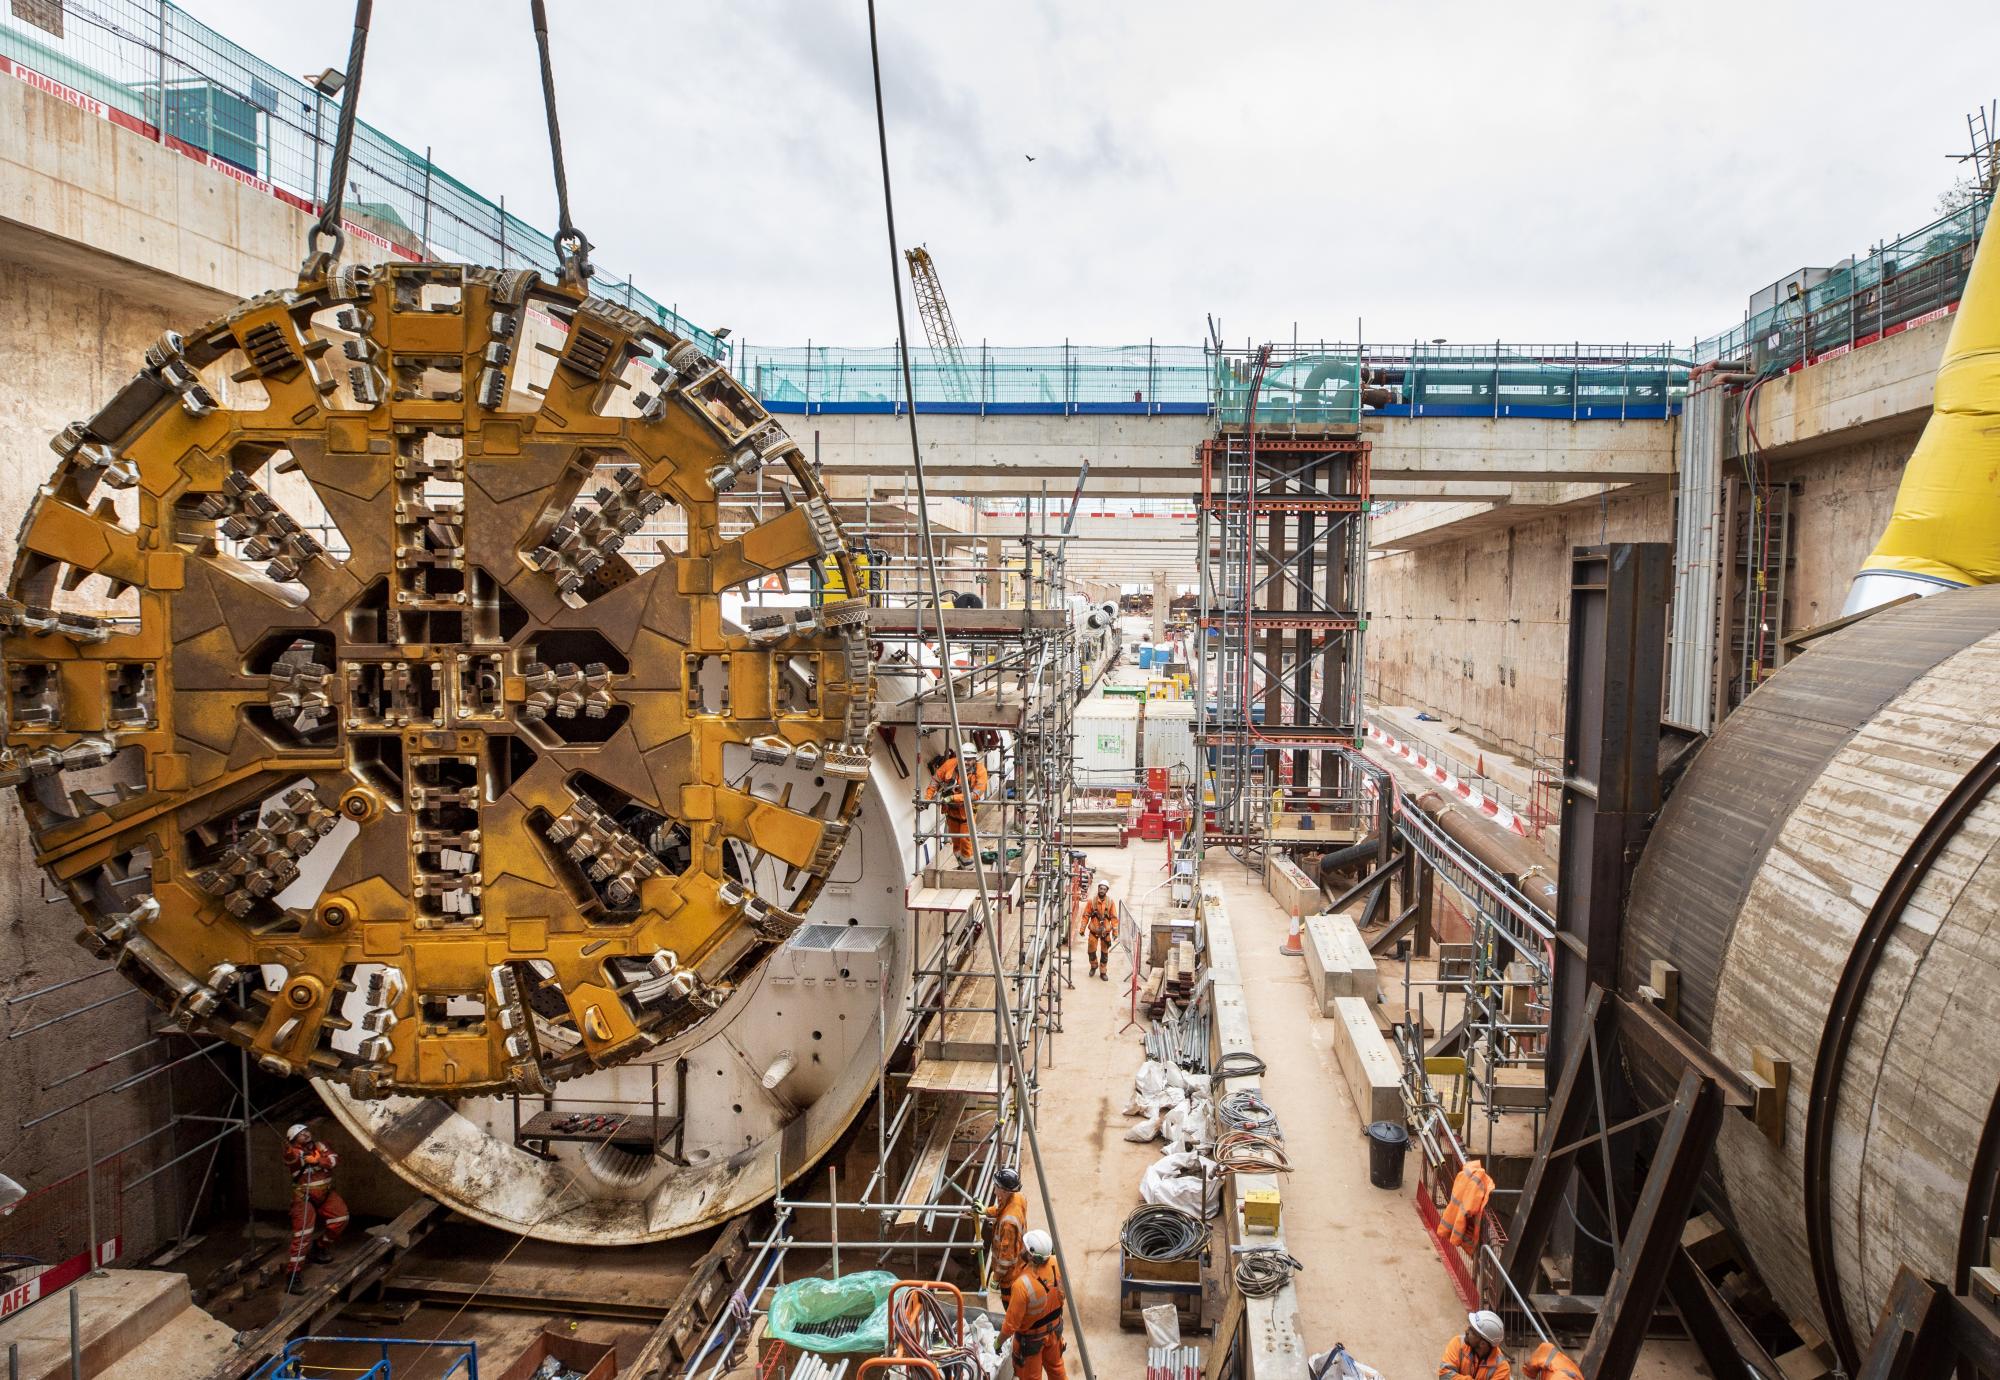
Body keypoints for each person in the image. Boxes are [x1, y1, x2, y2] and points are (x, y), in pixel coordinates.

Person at [283, 1123, 349, 1287]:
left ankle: (319, 1247)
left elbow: (333, 1160)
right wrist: (290, 1151)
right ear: (294, 1140)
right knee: (303, 1235)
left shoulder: (322, 1146)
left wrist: (318, 1159)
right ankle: (293, 1275)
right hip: (304, 1198)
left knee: (341, 1218)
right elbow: (290, 1159)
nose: (305, 1135)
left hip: (326, 1193)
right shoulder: (296, 1153)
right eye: (300, 1134)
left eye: (306, 1131)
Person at [1001, 1229, 1068, 1380]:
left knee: (1031, 1377)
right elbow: (1062, 1293)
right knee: (1057, 1369)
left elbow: (1010, 1325)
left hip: (1031, 1341)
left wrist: (998, 1342)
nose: (1022, 1249)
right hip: (1055, 1330)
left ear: (1031, 1255)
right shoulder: (1057, 1263)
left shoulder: (1021, 1285)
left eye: (1025, 1247)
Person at [924, 743, 989, 864]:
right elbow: (935, 781)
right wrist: (927, 798)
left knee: (965, 839)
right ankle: (961, 862)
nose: (966, 762)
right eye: (964, 759)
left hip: (967, 812)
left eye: (969, 759)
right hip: (951, 811)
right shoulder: (949, 765)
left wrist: (952, 798)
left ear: (975, 759)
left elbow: (975, 795)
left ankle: (968, 865)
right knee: (956, 841)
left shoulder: (981, 771)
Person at [983, 1166, 1029, 1294]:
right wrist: (986, 1210)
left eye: (996, 1187)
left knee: (1009, 1301)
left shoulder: (1008, 1223)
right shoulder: (1018, 1197)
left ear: (1004, 1191)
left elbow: (1006, 1258)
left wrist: (997, 1278)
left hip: (1010, 1274)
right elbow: (1001, 1209)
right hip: (1020, 1256)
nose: (994, 1191)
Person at [1438, 1310, 1511, 1380]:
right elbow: (1444, 1375)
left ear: (1482, 1344)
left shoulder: (1502, 1369)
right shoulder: (1458, 1343)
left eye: (1472, 1331)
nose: (1466, 1331)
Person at [1081, 881, 1118, 980]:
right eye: (1100, 888)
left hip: (1105, 933)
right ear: (1098, 888)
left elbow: (1114, 918)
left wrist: (1115, 931)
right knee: (1091, 951)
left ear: (1107, 890)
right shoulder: (1091, 901)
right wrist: (1082, 928)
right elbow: (1086, 915)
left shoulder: (1110, 902)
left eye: (1104, 889)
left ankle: (1103, 972)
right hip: (1093, 932)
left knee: (1104, 953)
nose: (1102, 890)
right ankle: (1093, 966)